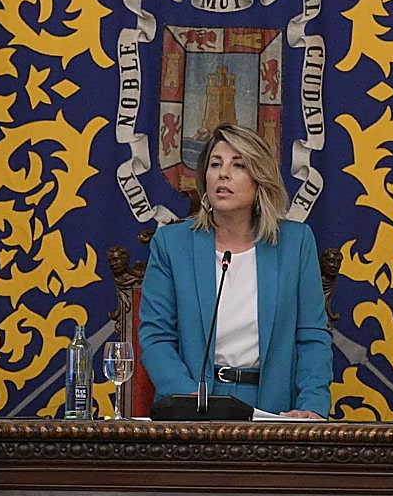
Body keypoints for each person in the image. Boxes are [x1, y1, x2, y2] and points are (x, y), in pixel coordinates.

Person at [138, 123, 333, 418]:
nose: (223, 174)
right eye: (215, 164)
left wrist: (311, 407)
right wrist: (188, 398)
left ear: (260, 179)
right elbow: (156, 336)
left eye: (238, 165)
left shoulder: (296, 243)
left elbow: (312, 337)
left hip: (273, 407)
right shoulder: (171, 244)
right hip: (196, 405)